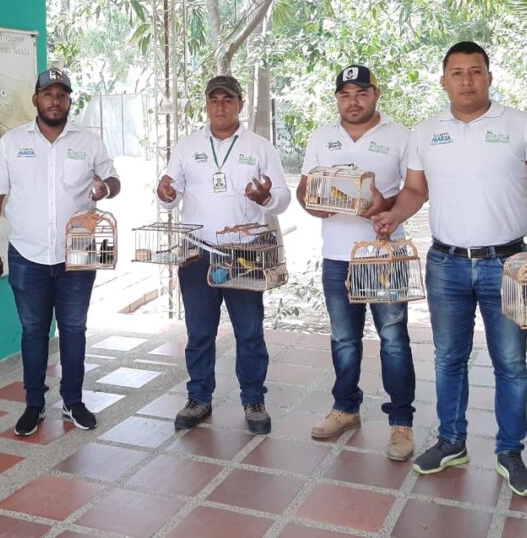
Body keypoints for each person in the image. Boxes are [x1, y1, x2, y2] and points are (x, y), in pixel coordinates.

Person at [374, 41, 527, 497]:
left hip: (507, 262)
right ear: (443, 81)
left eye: (475, 71)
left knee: (511, 363)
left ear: (489, 77)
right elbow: (415, 192)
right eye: (457, 73)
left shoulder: (521, 125)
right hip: (447, 263)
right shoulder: (425, 132)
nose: (466, 80)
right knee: (448, 358)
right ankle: (452, 441)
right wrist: (393, 215)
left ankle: (509, 452)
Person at [0, 68, 121, 436]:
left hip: (79, 251)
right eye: (48, 94)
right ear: (36, 99)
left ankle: (73, 401)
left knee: (74, 328)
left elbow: (113, 179)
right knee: (33, 331)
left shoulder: (88, 142)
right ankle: (34, 404)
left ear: (70, 100)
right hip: (27, 254)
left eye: (62, 94)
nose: (55, 100)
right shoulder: (13, 143)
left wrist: (105, 187)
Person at [157, 75, 290, 434]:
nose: (220, 106)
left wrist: (266, 199)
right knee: (200, 332)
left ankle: (253, 399)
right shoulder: (187, 146)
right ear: (206, 105)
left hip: (244, 253)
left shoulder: (260, 147)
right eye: (214, 100)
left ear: (240, 104)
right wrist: (165, 194)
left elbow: (282, 197)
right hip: (197, 254)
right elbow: (169, 195)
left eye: (227, 100)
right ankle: (199, 397)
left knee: (249, 331)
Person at [296, 65, 417, 460]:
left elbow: (416, 190)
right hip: (337, 257)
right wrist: (316, 208)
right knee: (344, 341)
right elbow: (305, 189)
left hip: (384, 254)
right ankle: (346, 409)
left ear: (376, 94)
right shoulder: (321, 137)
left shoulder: (400, 136)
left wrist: (387, 210)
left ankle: (401, 424)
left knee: (394, 342)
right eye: (346, 94)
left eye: (361, 93)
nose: (354, 101)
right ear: (337, 98)